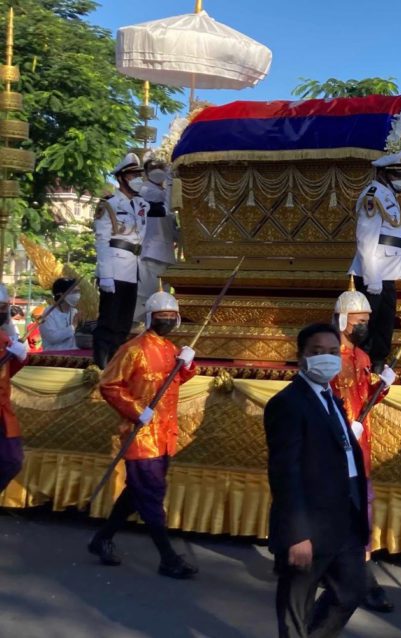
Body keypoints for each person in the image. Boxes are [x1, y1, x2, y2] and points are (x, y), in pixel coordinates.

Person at [264, 323, 369, 638]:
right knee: (297, 605)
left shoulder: (332, 397)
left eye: (333, 352)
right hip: (310, 523)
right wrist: (297, 535)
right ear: (301, 358)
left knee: (351, 592)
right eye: (317, 352)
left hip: (345, 516)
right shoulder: (288, 403)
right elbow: (285, 472)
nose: (326, 358)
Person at [87, 290, 199, 579]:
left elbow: (177, 379)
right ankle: (168, 557)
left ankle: (102, 539)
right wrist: (136, 410)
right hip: (141, 434)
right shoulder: (133, 349)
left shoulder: (170, 348)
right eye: (162, 316)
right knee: (150, 494)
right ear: (150, 317)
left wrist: (187, 364)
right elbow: (109, 384)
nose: (167, 320)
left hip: (165, 434)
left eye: (172, 316)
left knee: (138, 492)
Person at [328, 282, 397, 614]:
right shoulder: (326, 358)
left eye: (367, 322)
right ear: (342, 321)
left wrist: (381, 386)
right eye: (358, 322)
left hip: (361, 446)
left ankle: (354, 574)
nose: (364, 328)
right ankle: (359, 580)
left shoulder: (363, 356)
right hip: (334, 448)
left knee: (362, 511)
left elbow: (366, 396)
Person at [349, 151, 401, 372]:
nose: (399, 179)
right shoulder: (373, 195)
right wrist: (371, 275)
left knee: (384, 323)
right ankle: (357, 365)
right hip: (373, 274)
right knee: (363, 325)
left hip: (388, 273)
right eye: (395, 174)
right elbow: (366, 238)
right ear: (383, 174)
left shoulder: (388, 196)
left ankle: (377, 362)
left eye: (400, 174)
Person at [94, 153, 149, 368]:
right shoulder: (109, 204)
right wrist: (105, 274)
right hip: (114, 268)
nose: (138, 178)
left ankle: (115, 367)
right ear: (121, 178)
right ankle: (100, 368)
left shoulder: (141, 204)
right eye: (133, 174)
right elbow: (102, 241)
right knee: (108, 321)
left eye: (139, 175)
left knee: (124, 323)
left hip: (132, 267)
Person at [134, 157, 178, 323]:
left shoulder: (162, 192)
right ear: (146, 173)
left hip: (165, 255)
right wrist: (171, 181)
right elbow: (168, 205)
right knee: (147, 298)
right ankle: (140, 334)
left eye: (162, 167)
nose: (159, 171)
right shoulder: (146, 190)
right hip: (151, 253)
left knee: (163, 301)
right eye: (154, 168)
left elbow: (171, 230)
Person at [0, 284, 28, 493]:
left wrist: (20, 357)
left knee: (12, 460)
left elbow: (8, 372)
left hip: (2, 411)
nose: (2, 312)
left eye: (4, 308)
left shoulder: (3, 337)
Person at [38, 278, 81, 351]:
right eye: (74, 292)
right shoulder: (49, 313)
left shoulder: (74, 311)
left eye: (78, 291)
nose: (77, 295)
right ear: (61, 295)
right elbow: (52, 338)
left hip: (73, 355)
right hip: (55, 356)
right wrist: (73, 326)